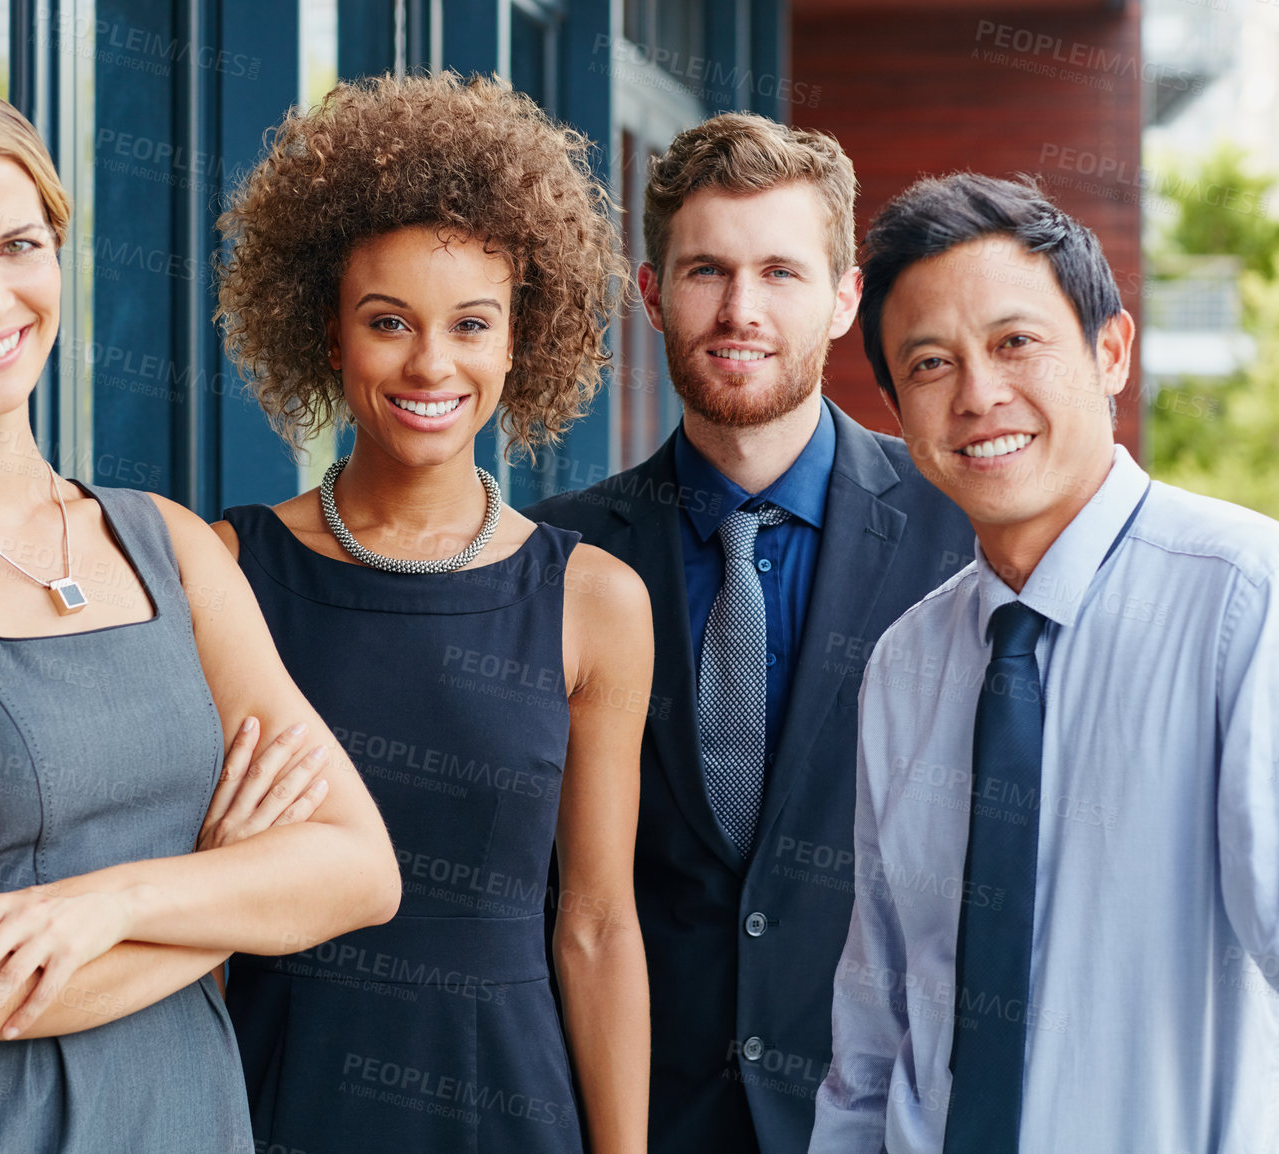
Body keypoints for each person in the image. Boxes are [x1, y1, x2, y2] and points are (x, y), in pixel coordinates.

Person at [0, 68, 399, 1152]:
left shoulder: (172, 544)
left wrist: (115, 902)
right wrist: (229, 887)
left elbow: (361, 869)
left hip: (194, 1115)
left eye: (18, 245)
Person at [808, 172, 1279, 1153]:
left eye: (1015, 342)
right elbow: (875, 1022)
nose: (978, 394)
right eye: (930, 363)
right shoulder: (905, 664)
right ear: (898, 412)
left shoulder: (1244, 594)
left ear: (1111, 351)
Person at [211, 72, 652, 1154]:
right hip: (278, 1093)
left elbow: (594, 924)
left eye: (470, 324)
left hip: (507, 1101)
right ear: (328, 330)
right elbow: (201, 903)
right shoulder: (227, 570)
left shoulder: (593, 600)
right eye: (388, 321)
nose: (429, 363)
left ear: (518, 338)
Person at [526, 115, 972, 1152]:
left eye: (780, 270)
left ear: (844, 298)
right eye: (705, 272)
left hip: (886, 1118)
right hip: (636, 1117)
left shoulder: (961, 532)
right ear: (649, 294)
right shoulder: (554, 557)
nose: (740, 310)